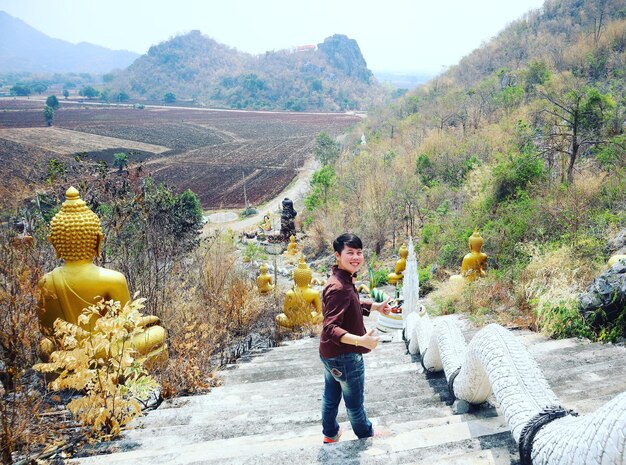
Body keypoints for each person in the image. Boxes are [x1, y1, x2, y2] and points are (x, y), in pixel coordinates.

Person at [319, 233, 391, 443]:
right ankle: (365, 434)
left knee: (331, 397)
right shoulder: (339, 287)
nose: (356, 257)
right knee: (354, 403)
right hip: (346, 356)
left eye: (359, 252)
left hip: (330, 354)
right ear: (337, 255)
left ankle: (330, 434)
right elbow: (330, 327)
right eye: (350, 252)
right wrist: (362, 341)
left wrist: (374, 307)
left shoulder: (342, 280)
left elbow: (349, 306)